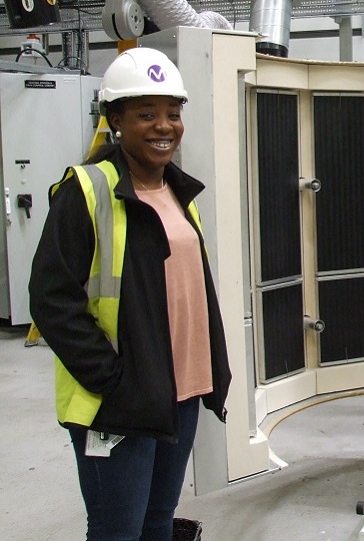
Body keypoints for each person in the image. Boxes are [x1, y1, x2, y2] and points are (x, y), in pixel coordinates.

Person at [29, 47, 232, 541]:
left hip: (180, 390)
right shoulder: (88, 190)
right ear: (115, 119)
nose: (165, 126)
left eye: (173, 113)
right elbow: (52, 299)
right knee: (117, 530)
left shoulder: (178, 191)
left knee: (158, 523)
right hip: (117, 402)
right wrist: (112, 379)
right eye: (146, 114)